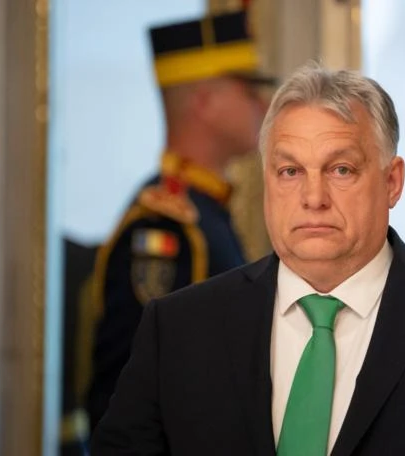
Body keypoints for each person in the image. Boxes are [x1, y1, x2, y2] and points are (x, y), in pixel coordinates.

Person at [91, 62, 405, 455]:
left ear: (392, 182)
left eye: (341, 169)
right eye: (290, 171)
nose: (313, 197)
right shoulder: (178, 330)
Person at [86, 8, 273, 431]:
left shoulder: (207, 213)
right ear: (205, 102)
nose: (263, 104)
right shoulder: (167, 228)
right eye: (248, 89)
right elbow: (129, 398)